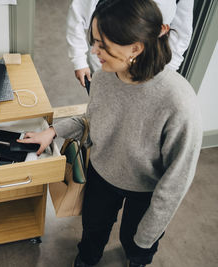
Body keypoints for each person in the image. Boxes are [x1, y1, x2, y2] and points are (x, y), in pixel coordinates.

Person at [18, 0, 202, 266]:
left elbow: (176, 182)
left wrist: (147, 237)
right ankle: (88, 258)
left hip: (146, 189)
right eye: (94, 41)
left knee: (135, 242)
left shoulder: (178, 101)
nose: (94, 52)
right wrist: (52, 131)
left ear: (136, 48)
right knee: (93, 228)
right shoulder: (104, 76)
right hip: (102, 175)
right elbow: (91, 120)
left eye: (102, 45)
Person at [67, 0, 194, 87]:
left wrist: (168, 70)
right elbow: (78, 13)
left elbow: (182, 31)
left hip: (151, 64)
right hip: (107, 59)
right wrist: (79, 60)